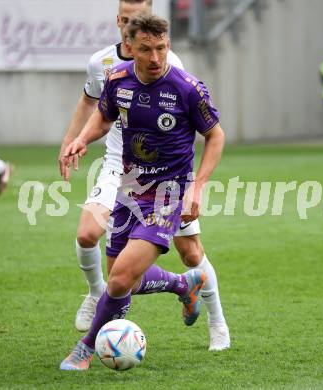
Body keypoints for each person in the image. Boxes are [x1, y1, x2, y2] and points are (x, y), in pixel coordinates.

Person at [58, 0, 230, 351]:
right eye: (146, 49)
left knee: (190, 253)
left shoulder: (183, 82)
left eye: (161, 49)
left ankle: (218, 325)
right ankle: (181, 286)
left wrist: (196, 188)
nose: (155, 58)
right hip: (126, 178)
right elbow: (100, 112)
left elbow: (216, 134)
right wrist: (78, 140)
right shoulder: (112, 72)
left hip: (171, 186)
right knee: (122, 273)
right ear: (127, 40)